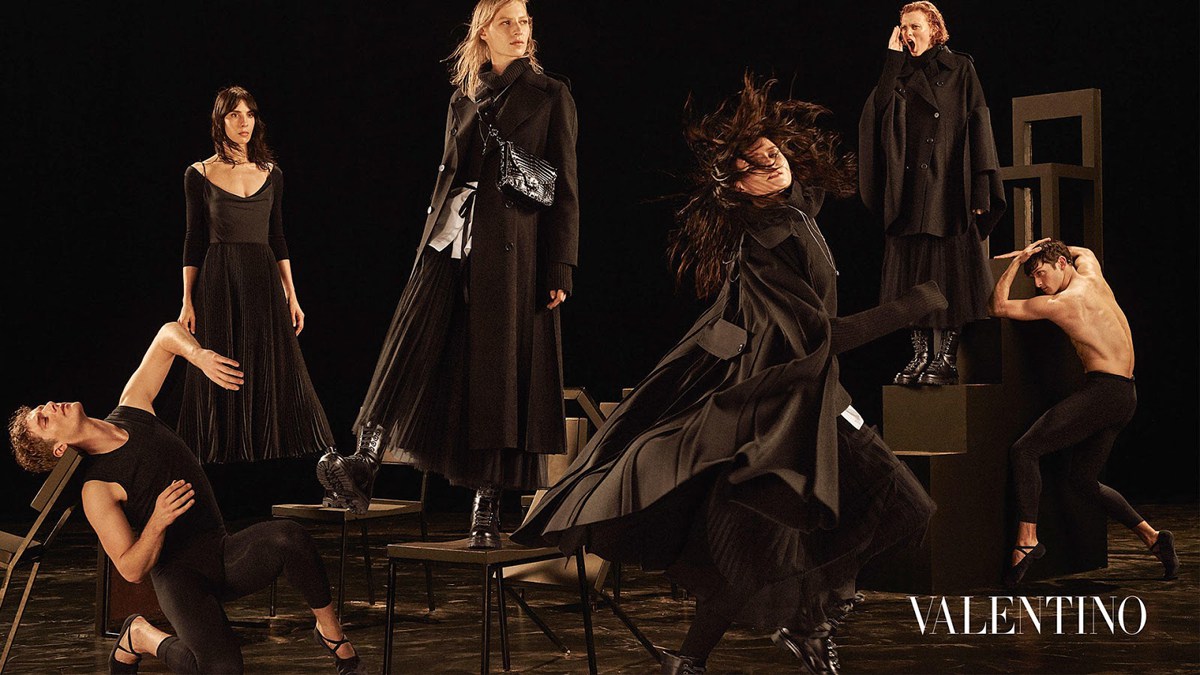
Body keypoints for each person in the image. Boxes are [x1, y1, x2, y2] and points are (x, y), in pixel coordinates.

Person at [513, 76, 945, 675]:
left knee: (882, 512)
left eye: (773, 153)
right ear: (738, 188)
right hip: (776, 411)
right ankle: (757, 637)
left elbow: (828, 180)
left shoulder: (793, 211)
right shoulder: (766, 241)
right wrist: (913, 306)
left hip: (813, 399)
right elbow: (821, 337)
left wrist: (898, 78)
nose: (773, 165)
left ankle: (775, 629)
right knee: (771, 546)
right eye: (756, 166)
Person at [318, 0, 579, 549]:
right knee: (407, 344)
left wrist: (559, 263)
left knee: (497, 377)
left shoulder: (551, 94)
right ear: (484, 32)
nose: (519, 30)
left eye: (524, 21)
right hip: (449, 237)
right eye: (507, 21)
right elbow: (450, 172)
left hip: (511, 250)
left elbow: (565, 188)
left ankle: (486, 509)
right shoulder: (464, 96)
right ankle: (364, 461)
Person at [6, 323, 363, 674]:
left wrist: (197, 355)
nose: (50, 405)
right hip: (180, 577)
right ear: (59, 449)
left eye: (42, 407)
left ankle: (330, 633)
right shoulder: (96, 488)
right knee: (221, 669)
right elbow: (131, 569)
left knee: (290, 537)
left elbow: (166, 335)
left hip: (222, 551)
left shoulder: (133, 407)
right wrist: (157, 521)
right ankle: (140, 635)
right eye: (44, 419)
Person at [988, 238, 1179, 587]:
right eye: (1034, 277)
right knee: (1082, 480)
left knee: (1025, 450)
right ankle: (1154, 538)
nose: (1038, 284)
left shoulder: (1063, 303)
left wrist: (1015, 262)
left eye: (1041, 273)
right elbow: (1082, 252)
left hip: (1104, 392)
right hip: (1126, 395)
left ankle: (1027, 540)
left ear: (1061, 265)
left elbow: (998, 306)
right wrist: (1042, 248)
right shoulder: (1092, 272)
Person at [178, 85, 334, 463]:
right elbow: (193, 239)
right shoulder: (199, 173)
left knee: (273, 363)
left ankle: (272, 456)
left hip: (263, 276)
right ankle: (221, 455)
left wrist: (292, 294)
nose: (243, 122)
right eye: (234, 114)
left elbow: (277, 237)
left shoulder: (272, 173)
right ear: (220, 121)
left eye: (248, 114)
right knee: (222, 360)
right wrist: (186, 300)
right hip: (219, 276)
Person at [859, 1, 1006, 386]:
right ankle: (920, 355)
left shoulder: (960, 68)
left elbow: (979, 126)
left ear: (934, 29)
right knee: (912, 275)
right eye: (903, 27)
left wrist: (980, 189)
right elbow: (877, 116)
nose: (908, 33)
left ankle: (946, 358)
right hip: (909, 190)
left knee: (949, 273)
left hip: (948, 188)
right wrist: (892, 60)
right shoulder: (898, 71)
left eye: (915, 26)